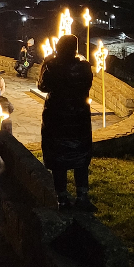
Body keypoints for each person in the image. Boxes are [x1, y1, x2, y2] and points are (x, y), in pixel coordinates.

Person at [39, 34, 94, 209]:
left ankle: (62, 198)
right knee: (80, 157)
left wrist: (46, 63)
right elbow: (87, 84)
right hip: (79, 118)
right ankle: (82, 196)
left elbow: (42, 86)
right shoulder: (84, 68)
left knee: (58, 159)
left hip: (57, 119)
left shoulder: (52, 67)